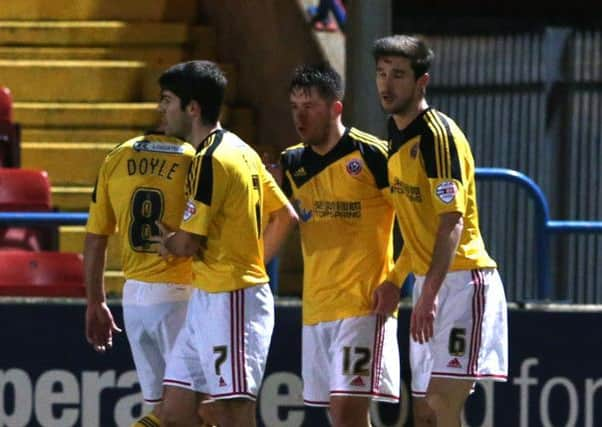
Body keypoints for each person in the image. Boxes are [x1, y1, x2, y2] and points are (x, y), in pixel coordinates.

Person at [151, 60, 298, 427]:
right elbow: (286, 216)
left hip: (230, 299)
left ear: (193, 108)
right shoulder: (241, 149)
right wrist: (254, 264)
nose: (161, 109)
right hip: (212, 297)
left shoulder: (208, 160)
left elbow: (185, 245)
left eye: (167, 100)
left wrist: (166, 242)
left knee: (233, 413)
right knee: (175, 412)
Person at [372, 35, 509, 427]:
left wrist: (428, 294)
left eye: (398, 74)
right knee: (424, 412)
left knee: (442, 401)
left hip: (464, 282)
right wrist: (396, 281)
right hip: (426, 282)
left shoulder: (437, 136)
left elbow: (452, 222)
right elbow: (416, 227)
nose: (386, 84)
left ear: (421, 82)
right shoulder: (395, 135)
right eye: (381, 73)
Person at [280, 63, 402, 427]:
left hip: (363, 304)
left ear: (336, 108)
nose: (300, 116)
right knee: (342, 417)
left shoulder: (372, 155)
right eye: (294, 107)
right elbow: (273, 222)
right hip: (317, 307)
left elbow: (417, 222)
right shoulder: (291, 162)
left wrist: (396, 279)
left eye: (310, 106)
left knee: (348, 413)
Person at [84, 131, 199, 427]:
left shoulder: (118, 155)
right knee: (197, 407)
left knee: (159, 408)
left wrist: (96, 300)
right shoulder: (194, 159)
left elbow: (96, 237)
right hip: (179, 293)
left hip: (134, 297)